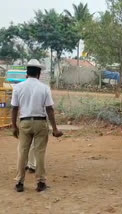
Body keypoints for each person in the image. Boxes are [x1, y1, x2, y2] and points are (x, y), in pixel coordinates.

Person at [11, 59, 63, 192]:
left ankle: (19, 182)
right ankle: (40, 182)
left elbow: (14, 108)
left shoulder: (18, 87)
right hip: (40, 123)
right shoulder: (44, 88)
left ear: (27, 73)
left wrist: (14, 126)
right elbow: (49, 109)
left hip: (25, 122)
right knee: (39, 152)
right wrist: (55, 128)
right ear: (39, 73)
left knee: (22, 152)